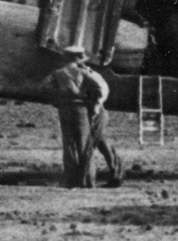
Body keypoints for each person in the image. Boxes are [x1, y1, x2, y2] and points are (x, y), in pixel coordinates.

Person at [45, 47, 123, 188]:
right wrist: (95, 106)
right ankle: (94, 179)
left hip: (77, 111)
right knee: (90, 145)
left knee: (74, 145)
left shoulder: (58, 73)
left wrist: (57, 103)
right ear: (78, 58)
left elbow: (46, 89)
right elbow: (102, 89)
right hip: (89, 111)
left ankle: (76, 180)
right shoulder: (86, 72)